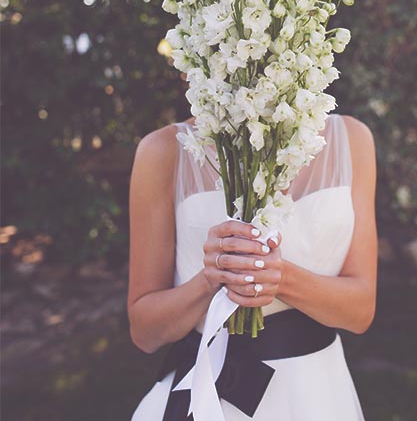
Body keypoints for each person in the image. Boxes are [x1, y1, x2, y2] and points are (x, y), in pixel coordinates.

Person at [128, 111, 377, 420]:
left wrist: (280, 278)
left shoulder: (351, 140)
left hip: (317, 395)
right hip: (210, 395)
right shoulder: (163, 151)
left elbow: (362, 311)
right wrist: (212, 278)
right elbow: (144, 331)